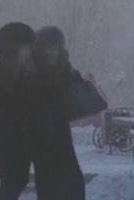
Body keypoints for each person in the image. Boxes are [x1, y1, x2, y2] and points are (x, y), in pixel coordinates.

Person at [0, 22, 36, 200]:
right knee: (11, 186)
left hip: (12, 145)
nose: (30, 51)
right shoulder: (4, 73)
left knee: (12, 186)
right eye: (27, 46)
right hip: (6, 146)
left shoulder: (12, 71)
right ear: (16, 48)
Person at [30, 26, 88, 200]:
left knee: (74, 183)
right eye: (49, 47)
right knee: (49, 186)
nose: (53, 52)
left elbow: (76, 90)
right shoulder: (33, 72)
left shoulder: (64, 69)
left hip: (61, 135)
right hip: (41, 139)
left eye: (57, 47)